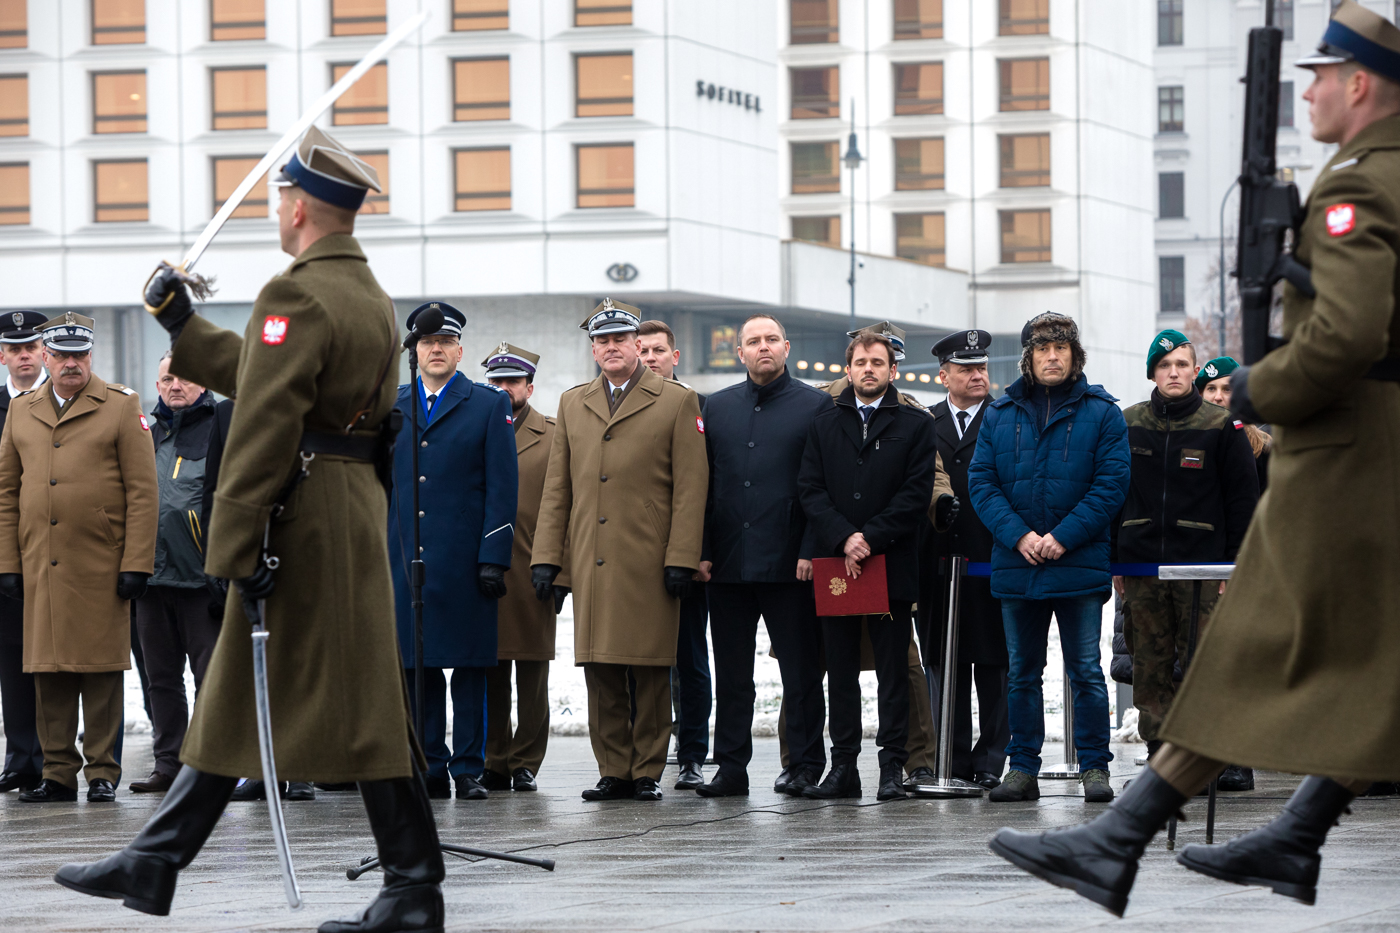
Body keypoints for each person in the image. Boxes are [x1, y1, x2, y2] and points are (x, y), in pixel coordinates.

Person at [989, 2, 1400, 915]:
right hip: (1376, 453)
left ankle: (1122, 838)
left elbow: (1345, 338)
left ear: (1360, 83)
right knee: (1374, 649)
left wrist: (1258, 389)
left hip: (1353, 454)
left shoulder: (1363, 186)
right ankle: (1272, 833)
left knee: (1252, 636)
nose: (1312, 93)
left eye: (1321, 77)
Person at [53, 126, 448, 933]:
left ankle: (409, 884)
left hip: (299, 511)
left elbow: (266, 418)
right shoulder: (360, 291)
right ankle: (163, 859)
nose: (277, 211)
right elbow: (270, 373)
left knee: (326, 696)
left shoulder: (295, 292)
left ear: (298, 207)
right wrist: (184, 326)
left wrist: (230, 544)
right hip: (341, 506)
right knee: (274, 689)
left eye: (280, 199)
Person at [531, 298, 707, 802]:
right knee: (600, 666)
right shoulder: (572, 401)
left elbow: (691, 489)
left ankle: (647, 769)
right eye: (602, 342)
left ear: (636, 345)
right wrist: (548, 558)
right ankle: (612, 768)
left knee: (649, 667)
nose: (611, 348)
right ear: (593, 350)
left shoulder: (676, 400)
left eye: (619, 340)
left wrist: (681, 558)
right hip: (591, 556)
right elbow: (557, 488)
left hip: (649, 559)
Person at [967, 311, 1129, 805]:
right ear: (1028, 358)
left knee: (1085, 669)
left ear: (1075, 355)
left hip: (1076, 563)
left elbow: (1111, 485)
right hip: (1019, 565)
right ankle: (1022, 769)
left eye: (1061, 348)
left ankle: (1096, 768)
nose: (1052, 356)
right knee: (1022, 673)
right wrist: (1019, 536)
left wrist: (1062, 537)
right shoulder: (999, 414)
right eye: (1042, 349)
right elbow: (982, 482)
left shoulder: (1103, 413)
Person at [0, 313, 157, 804]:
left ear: (91, 357)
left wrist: (137, 562)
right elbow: (6, 492)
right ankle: (58, 774)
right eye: (62, 355)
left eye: (80, 355)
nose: (71, 364)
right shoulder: (21, 410)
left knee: (102, 668)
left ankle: (103, 772)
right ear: (45, 356)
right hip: (40, 561)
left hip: (101, 561)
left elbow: (143, 491)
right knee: (48, 669)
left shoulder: (120, 405)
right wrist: (8, 563)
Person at [797, 331, 943, 801]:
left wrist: (871, 538)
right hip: (836, 563)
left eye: (877, 362)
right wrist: (844, 537)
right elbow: (810, 489)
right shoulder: (822, 422)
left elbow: (916, 493)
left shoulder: (916, 424)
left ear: (892, 370)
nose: (868, 369)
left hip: (891, 563)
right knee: (838, 670)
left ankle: (891, 767)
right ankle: (843, 768)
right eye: (860, 362)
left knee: (892, 672)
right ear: (848, 369)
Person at [1112, 331, 1259, 788]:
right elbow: (1113, 494)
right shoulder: (1126, 422)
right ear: (1152, 372)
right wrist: (1116, 561)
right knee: (1150, 667)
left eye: (1181, 364)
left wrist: (1234, 568)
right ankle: (1162, 762)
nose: (1173, 372)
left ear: (1195, 370)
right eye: (1164, 365)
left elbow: (1243, 503)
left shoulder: (1223, 426)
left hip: (1204, 570)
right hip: (1142, 568)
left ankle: (1205, 761)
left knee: (1202, 667)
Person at [695, 313, 830, 798]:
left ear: (787, 347)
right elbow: (703, 487)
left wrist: (812, 549)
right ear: (740, 353)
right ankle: (731, 767)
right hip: (728, 563)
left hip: (791, 562)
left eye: (772, 339)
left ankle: (805, 764)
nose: (763, 347)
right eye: (754, 341)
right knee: (732, 676)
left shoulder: (816, 406)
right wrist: (704, 551)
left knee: (800, 674)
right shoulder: (717, 407)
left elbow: (822, 486)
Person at [390, 302, 518, 801]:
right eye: (427, 343)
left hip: (466, 560)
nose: (436, 350)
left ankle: (468, 767)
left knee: (468, 668)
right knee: (416, 669)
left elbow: (502, 488)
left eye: (445, 342)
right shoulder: (394, 406)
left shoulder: (488, 405)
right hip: (405, 560)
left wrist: (494, 556)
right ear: (415, 352)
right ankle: (428, 763)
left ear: (460, 351)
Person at [127, 353, 223, 795]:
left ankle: (209, 766)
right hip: (152, 582)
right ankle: (169, 765)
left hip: (203, 582)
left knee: (211, 681)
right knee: (160, 681)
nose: (175, 385)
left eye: (184, 377)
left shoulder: (221, 427)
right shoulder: (146, 432)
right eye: (167, 378)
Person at [927, 330, 1011, 789]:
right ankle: (953, 758)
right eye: (966, 369)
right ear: (944, 375)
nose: (977, 375)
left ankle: (991, 758)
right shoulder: (926, 421)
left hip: (992, 556)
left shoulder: (1005, 418)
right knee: (946, 659)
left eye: (981, 368)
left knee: (995, 663)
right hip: (941, 563)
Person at [482, 342, 565, 793]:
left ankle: (525, 760)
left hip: (535, 569)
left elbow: (566, 505)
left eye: (511, 381)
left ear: (529, 387)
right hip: (486, 571)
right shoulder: (475, 426)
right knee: (490, 671)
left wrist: (559, 569)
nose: (502, 388)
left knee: (532, 673)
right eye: (495, 381)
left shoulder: (553, 434)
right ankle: (494, 758)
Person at [635, 320, 712, 791]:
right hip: (635, 560)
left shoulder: (695, 405)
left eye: (658, 351)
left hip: (685, 563)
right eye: (641, 350)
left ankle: (691, 754)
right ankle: (642, 755)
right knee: (639, 664)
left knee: (688, 661)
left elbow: (703, 488)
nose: (649, 358)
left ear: (675, 357)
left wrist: (698, 554)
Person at [0, 311, 48, 795]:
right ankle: (21, 759)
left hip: (56, 549)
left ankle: (60, 761)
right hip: (7, 554)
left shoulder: (62, 402)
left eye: (31, 347)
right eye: (15, 349)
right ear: (3, 356)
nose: (24, 356)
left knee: (60, 658)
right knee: (13, 661)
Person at [1197, 355, 1272, 490]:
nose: (1218, 397)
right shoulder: (1189, 441)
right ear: (1201, 394)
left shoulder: (1263, 448)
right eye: (1211, 389)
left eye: (1227, 389)